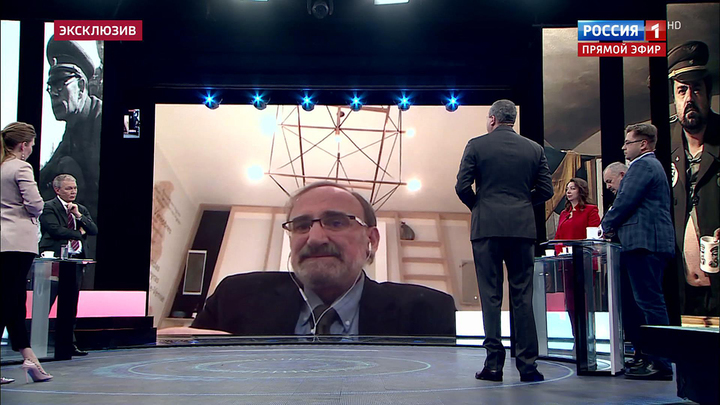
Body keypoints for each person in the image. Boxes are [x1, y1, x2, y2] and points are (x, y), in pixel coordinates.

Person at [191, 181, 456, 336]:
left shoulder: (429, 314)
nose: (315, 238)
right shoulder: (234, 298)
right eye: (301, 225)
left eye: (336, 222)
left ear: (371, 240)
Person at [455, 99, 553, 382]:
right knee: (523, 296)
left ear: (492, 119)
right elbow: (546, 190)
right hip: (522, 228)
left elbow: (462, 186)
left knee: (490, 296)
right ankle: (528, 366)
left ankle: (494, 365)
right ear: (513, 120)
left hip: (487, 227)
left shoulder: (477, 145)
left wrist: (479, 206)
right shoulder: (534, 149)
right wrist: (523, 203)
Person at [601, 123, 675, 380]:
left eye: (628, 143)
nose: (623, 147)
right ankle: (651, 357)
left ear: (643, 144)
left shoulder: (643, 166)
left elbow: (625, 201)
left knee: (650, 304)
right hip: (646, 244)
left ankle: (661, 363)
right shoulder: (650, 166)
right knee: (646, 303)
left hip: (646, 243)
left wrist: (605, 226)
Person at [667, 40, 720, 316]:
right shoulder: (664, 147)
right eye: (681, 90)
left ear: (708, 93)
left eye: (696, 89)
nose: (689, 98)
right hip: (680, 292)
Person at [0, 122, 52, 384]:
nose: (31, 149)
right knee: (10, 300)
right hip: (17, 243)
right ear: (23, 145)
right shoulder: (20, 167)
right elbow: (35, 204)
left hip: (2, 242)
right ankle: (29, 357)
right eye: (31, 145)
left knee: (10, 299)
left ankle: (29, 356)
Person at [39, 37, 102, 249]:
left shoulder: (101, 122)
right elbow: (45, 176)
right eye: (50, 88)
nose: (54, 94)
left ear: (82, 86)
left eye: (61, 84)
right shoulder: (73, 129)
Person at [39, 174, 98, 357]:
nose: (73, 192)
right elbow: (55, 230)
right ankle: (37, 341)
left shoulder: (80, 209)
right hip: (54, 262)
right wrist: (79, 233)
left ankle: (67, 344)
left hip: (75, 263)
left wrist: (79, 216)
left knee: (70, 306)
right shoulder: (48, 207)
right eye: (68, 188)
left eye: (75, 188)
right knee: (46, 303)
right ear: (57, 190)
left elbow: (93, 230)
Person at [553, 178, 601, 340]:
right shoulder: (564, 214)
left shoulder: (590, 210)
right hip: (566, 262)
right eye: (567, 188)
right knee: (570, 301)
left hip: (584, 261)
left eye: (573, 188)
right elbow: (558, 238)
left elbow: (593, 235)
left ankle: (587, 335)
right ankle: (576, 335)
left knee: (584, 299)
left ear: (581, 190)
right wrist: (559, 252)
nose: (568, 191)